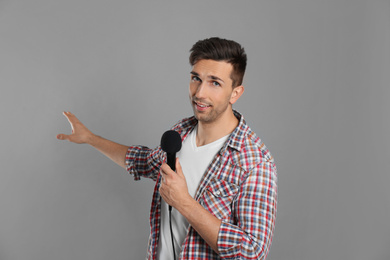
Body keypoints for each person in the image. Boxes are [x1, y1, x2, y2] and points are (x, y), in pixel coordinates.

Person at [57, 37, 277, 260]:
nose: (200, 93)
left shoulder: (255, 162)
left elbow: (252, 251)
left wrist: (184, 202)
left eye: (215, 83)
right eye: (196, 79)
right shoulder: (180, 132)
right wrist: (90, 138)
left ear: (235, 93)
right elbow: (143, 161)